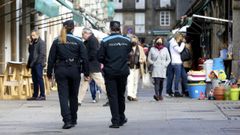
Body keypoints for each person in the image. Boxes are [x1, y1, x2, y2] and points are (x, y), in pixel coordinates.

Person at [47, 20, 89, 129]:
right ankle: (73, 118)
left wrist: (49, 74)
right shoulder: (79, 41)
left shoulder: (57, 41)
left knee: (63, 96)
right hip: (74, 70)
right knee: (73, 96)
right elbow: (85, 58)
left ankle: (67, 120)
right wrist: (86, 73)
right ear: (73, 28)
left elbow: (51, 58)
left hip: (60, 70)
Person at [98, 21, 132, 128]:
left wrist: (107, 62)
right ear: (119, 28)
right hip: (123, 71)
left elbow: (99, 57)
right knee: (121, 95)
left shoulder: (105, 41)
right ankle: (121, 117)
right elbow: (129, 54)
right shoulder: (127, 40)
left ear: (110, 28)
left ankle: (116, 121)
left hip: (110, 71)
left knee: (113, 96)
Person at [78, 28, 107, 106]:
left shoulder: (92, 40)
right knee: (84, 84)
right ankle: (78, 100)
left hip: (93, 66)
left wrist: (85, 59)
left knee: (101, 83)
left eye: (83, 34)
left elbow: (93, 53)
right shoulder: (89, 41)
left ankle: (111, 97)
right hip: (89, 66)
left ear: (87, 33)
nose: (82, 36)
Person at [148, 37, 171, 101]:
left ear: (162, 42)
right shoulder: (152, 49)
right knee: (156, 82)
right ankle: (156, 95)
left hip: (163, 68)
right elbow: (149, 59)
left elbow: (169, 59)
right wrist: (153, 63)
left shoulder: (165, 49)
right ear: (155, 41)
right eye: (158, 41)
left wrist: (165, 65)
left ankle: (160, 95)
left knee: (161, 83)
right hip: (156, 68)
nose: (159, 42)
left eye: (160, 41)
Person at [27, 30, 46, 101]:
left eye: (33, 35)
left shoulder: (41, 43)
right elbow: (30, 51)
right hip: (33, 63)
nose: (32, 37)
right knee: (34, 79)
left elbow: (42, 54)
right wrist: (30, 43)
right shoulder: (33, 42)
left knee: (39, 78)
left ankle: (42, 95)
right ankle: (35, 95)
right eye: (32, 35)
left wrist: (36, 62)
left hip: (38, 63)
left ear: (38, 35)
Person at [127, 35, 146, 101]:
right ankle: (130, 94)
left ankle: (134, 95)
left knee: (135, 82)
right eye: (132, 40)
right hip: (130, 67)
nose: (133, 41)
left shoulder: (140, 48)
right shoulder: (127, 48)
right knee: (130, 81)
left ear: (137, 41)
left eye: (135, 40)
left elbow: (144, 57)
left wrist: (142, 60)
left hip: (137, 67)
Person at [169, 33, 187, 97]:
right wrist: (183, 44)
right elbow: (179, 50)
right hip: (176, 63)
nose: (180, 40)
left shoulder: (174, 42)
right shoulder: (173, 43)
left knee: (184, 76)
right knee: (177, 77)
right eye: (180, 38)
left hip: (179, 62)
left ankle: (186, 90)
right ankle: (176, 91)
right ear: (178, 37)